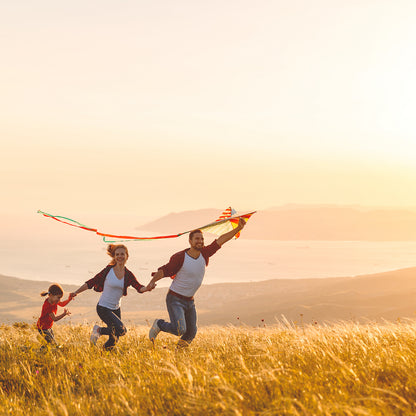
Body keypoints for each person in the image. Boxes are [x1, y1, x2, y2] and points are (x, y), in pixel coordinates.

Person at [148, 217, 247, 347]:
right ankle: (159, 324)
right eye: (197, 239)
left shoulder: (205, 253)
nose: (200, 241)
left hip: (190, 300)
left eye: (202, 239)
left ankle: (179, 355)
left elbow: (222, 240)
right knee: (180, 329)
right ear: (190, 241)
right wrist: (152, 282)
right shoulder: (180, 257)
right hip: (175, 299)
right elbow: (164, 270)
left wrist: (238, 228)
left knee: (191, 332)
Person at [70, 244, 153, 350]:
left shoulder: (128, 274)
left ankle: (102, 354)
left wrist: (148, 288)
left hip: (116, 308)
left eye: (122, 254)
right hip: (103, 307)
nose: (120, 256)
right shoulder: (108, 271)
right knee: (122, 330)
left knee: (114, 339)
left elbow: (139, 287)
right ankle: (99, 330)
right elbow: (91, 282)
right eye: (117, 254)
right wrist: (76, 292)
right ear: (114, 256)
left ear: (127, 256)